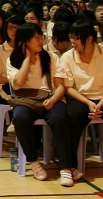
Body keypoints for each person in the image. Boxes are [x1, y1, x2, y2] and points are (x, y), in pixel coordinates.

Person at [7, 22, 76, 185]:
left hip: (51, 97)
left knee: (59, 118)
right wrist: (27, 59)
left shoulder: (51, 57)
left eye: (41, 37)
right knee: (19, 118)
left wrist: (53, 100)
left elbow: (60, 86)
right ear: (25, 41)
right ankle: (34, 162)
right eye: (36, 38)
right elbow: (19, 82)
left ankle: (66, 168)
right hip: (26, 100)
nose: (41, 41)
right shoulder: (13, 60)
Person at [59, 20, 103, 184]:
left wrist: (99, 104)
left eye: (76, 38)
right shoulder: (67, 57)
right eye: (71, 37)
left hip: (102, 98)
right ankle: (68, 167)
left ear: (89, 38)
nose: (72, 41)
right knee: (71, 117)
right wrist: (89, 103)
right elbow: (68, 87)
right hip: (80, 98)